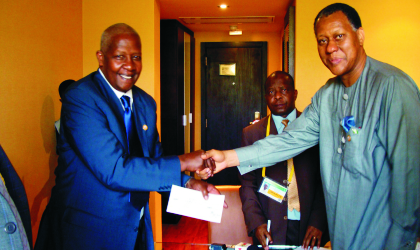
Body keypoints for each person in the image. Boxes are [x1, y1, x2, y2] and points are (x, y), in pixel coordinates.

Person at [202, 3, 420, 249]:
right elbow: (287, 141)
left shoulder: (394, 88)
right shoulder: (327, 96)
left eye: (339, 36)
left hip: (384, 240)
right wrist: (227, 158)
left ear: (360, 35)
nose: (330, 48)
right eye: (322, 40)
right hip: (341, 239)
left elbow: (410, 180)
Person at [35, 23, 222, 250]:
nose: (129, 66)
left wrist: (189, 182)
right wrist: (184, 161)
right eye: (119, 56)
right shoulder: (80, 99)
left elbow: (152, 159)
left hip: (135, 228)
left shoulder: (145, 102)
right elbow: (115, 170)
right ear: (101, 58)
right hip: (86, 234)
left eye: (136, 57)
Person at [239, 71, 328, 250]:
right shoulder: (252, 134)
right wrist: (256, 222)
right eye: (271, 92)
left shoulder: (316, 129)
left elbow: (326, 181)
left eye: (283, 90)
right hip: (270, 225)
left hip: (309, 225)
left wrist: (319, 221)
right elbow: (248, 185)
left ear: (294, 93)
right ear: (265, 97)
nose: (277, 96)